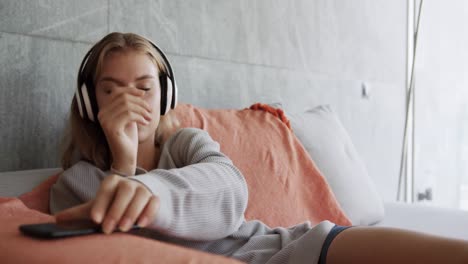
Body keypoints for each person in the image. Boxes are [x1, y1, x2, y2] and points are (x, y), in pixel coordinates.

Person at [51, 32, 468, 264]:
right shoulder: (75, 184)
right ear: (90, 103)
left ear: (165, 96)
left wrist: (149, 190)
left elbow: (230, 190)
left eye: (144, 88)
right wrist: (124, 165)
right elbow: (115, 251)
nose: (131, 101)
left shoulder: (185, 143)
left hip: (287, 249)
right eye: (112, 90)